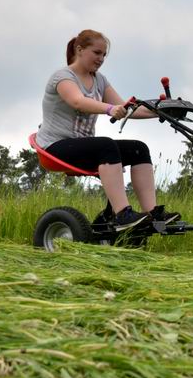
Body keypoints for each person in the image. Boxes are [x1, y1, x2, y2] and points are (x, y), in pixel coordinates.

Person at [36, 29, 174, 230]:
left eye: (104, 55)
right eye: (97, 53)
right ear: (80, 50)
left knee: (139, 149)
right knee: (105, 145)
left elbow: (127, 109)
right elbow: (77, 101)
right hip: (55, 147)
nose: (101, 59)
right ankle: (122, 214)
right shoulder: (62, 77)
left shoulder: (99, 80)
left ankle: (152, 214)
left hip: (82, 148)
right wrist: (110, 109)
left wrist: (161, 112)